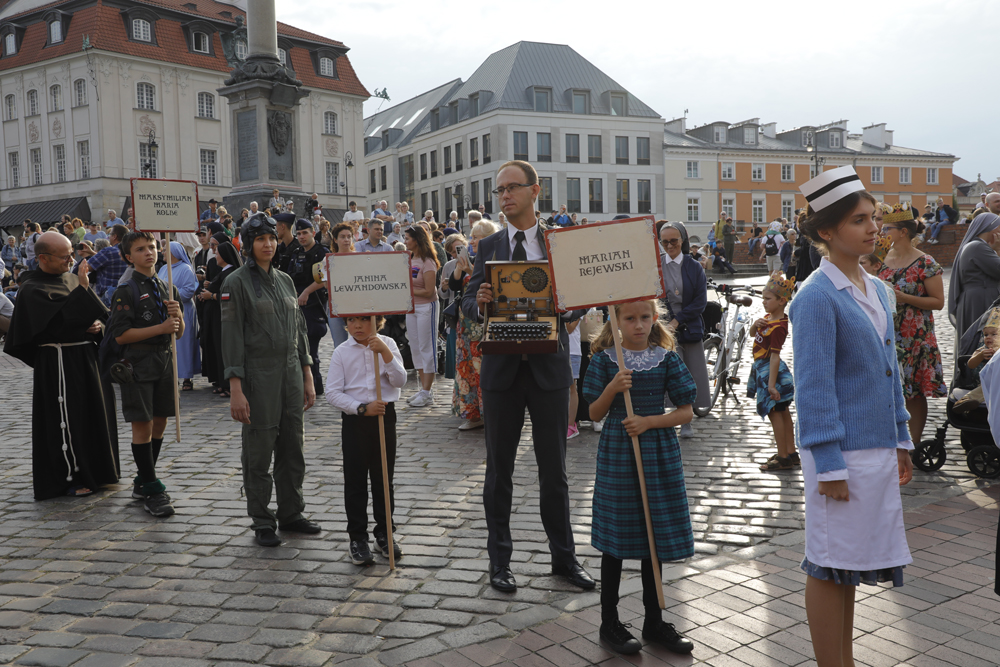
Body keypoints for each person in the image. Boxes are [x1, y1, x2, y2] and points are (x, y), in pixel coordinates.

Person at [791, 166, 913, 667]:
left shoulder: (879, 289)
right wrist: (829, 464)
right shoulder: (814, 297)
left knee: (850, 566)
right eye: (859, 220)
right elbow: (813, 389)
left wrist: (901, 436)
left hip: (876, 447)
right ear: (826, 230)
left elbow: (890, 371)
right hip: (839, 454)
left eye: (873, 218)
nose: (873, 228)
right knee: (828, 563)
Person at [463, 159, 594, 593]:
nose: (504, 196)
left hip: (548, 371)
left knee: (554, 472)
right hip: (501, 372)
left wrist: (567, 308)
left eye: (512, 188)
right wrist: (480, 302)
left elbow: (579, 299)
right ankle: (499, 562)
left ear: (535, 191)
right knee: (498, 473)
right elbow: (467, 304)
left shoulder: (558, 243)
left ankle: (564, 559)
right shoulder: (488, 246)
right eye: (499, 190)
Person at [582, 298, 697, 656]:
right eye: (630, 318)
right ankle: (609, 621)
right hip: (619, 452)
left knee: (653, 534)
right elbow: (593, 412)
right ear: (616, 321)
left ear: (654, 319)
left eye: (645, 317)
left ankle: (654, 620)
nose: (638, 325)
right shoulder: (604, 361)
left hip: (658, 451)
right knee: (617, 535)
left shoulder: (666, 358)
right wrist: (612, 389)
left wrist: (649, 421)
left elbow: (686, 411)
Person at [222, 213, 320, 547]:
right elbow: (231, 337)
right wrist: (236, 388)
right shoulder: (235, 283)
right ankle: (263, 520)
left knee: (293, 448)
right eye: (260, 239)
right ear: (249, 244)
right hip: (258, 376)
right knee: (259, 452)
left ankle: (292, 512)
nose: (268, 245)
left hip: (291, 373)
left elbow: (300, 331)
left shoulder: (286, 281)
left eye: (272, 239)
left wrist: (307, 374)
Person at [3, 232, 119, 500]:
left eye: (72, 254)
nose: (71, 260)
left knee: (94, 415)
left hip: (86, 359)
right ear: (43, 258)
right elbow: (54, 325)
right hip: (59, 363)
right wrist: (83, 305)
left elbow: (98, 315)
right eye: (65, 256)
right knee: (69, 419)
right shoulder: (32, 289)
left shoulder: (72, 279)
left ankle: (98, 471)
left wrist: (96, 325)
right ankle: (72, 476)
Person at [107, 231, 185, 518]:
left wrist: (178, 317)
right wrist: (160, 328)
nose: (149, 252)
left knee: (161, 421)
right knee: (143, 424)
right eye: (140, 249)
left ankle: (142, 480)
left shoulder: (167, 286)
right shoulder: (126, 290)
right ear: (129, 257)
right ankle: (152, 488)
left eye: (151, 247)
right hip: (137, 363)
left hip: (164, 360)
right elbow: (121, 335)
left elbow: (179, 333)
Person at [325, 314, 407, 565]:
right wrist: (361, 408)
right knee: (356, 480)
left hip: (384, 416)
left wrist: (385, 353)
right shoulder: (341, 352)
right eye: (351, 320)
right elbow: (332, 392)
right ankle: (357, 537)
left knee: (383, 479)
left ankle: (384, 533)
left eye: (364, 319)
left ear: (377, 321)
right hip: (355, 420)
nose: (358, 325)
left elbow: (400, 380)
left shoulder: (388, 344)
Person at [878, 203, 946, 444]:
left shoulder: (925, 262)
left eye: (886, 228)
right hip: (885, 334)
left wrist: (905, 298)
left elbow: (938, 302)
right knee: (885, 389)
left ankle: (913, 444)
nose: (881, 231)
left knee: (914, 393)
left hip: (915, 337)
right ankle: (887, 441)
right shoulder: (879, 259)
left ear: (903, 231)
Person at [658, 222, 710, 434]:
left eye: (674, 241)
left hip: (688, 325)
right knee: (669, 373)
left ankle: (686, 418)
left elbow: (700, 301)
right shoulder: (657, 266)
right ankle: (669, 416)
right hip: (663, 326)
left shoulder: (694, 266)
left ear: (682, 241)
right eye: (665, 242)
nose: (670, 246)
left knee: (689, 372)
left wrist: (677, 321)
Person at [451, 222, 497, 430]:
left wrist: (470, 269)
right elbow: (455, 285)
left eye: (477, 237)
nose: (472, 241)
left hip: (484, 323)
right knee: (467, 366)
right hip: (466, 323)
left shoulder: (494, 259)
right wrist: (460, 268)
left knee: (483, 369)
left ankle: (490, 413)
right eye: (471, 237)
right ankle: (473, 414)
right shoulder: (469, 258)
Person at [750, 273, 798, 471]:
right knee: (782, 410)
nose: (763, 302)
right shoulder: (768, 318)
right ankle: (791, 452)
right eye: (763, 298)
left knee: (775, 412)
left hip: (770, 371)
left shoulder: (778, 327)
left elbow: (775, 356)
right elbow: (753, 335)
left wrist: (771, 385)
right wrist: (755, 325)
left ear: (781, 301)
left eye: (768, 299)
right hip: (765, 368)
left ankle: (782, 456)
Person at [947, 212, 1000, 357]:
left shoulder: (977, 246)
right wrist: (998, 250)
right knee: (979, 344)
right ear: (991, 228)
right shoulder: (977, 247)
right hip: (980, 300)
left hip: (978, 297)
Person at [287, 219, 329, 397]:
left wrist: (306, 292)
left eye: (305, 233)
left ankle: (316, 386)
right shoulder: (296, 253)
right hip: (297, 307)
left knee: (311, 350)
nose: (301, 236)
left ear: (313, 232)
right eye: (298, 234)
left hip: (314, 307)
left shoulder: (321, 253)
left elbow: (324, 279)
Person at [199, 235, 241, 396]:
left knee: (223, 349)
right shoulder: (224, 271)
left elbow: (229, 296)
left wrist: (211, 295)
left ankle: (228, 385)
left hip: (222, 317)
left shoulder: (231, 273)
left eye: (217, 253)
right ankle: (221, 382)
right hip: (215, 316)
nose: (215, 255)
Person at [403, 226, 440, 407]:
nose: (405, 241)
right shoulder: (408, 259)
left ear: (417, 240)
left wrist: (406, 290)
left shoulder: (428, 262)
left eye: (407, 238)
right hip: (412, 308)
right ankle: (424, 389)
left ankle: (427, 391)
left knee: (427, 347)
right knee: (415, 347)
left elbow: (428, 291)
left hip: (426, 307)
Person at [158, 241, 200, 391]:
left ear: (173, 253)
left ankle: (187, 377)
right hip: (165, 311)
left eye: (165, 250)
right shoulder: (163, 268)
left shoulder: (186, 269)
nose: (163, 252)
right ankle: (171, 375)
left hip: (183, 311)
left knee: (184, 345)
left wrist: (170, 297)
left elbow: (189, 291)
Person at [952, 308, 999, 414]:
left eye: (994, 334)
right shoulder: (983, 350)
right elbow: (970, 364)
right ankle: (967, 401)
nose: (989, 337)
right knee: (986, 388)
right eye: (986, 335)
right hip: (985, 385)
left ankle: (968, 400)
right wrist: (980, 356)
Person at [85, 224, 130, 306]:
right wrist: (92, 252)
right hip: (128, 293)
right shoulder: (131, 251)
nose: (108, 237)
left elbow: (88, 267)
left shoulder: (108, 251)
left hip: (108, 295)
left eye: (110, 234)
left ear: (115, 236)